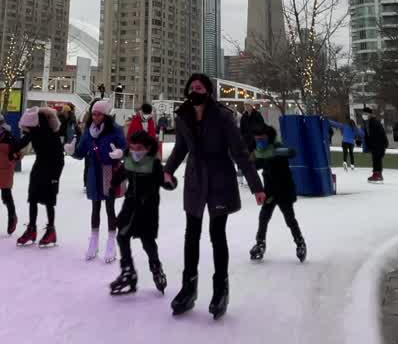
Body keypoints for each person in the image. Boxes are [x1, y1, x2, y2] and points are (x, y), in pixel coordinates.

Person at [164, 73, 265, 319]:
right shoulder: (184, 115)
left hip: (220, 177)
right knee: (191, 234)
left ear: (208, 91)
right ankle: (189, 288)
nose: (194, 89)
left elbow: (239, 152)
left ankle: (221, 290)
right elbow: (180, 148)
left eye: (199, 86)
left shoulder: (223, 116)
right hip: (196, 179)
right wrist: (167, 170)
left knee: (217, 235)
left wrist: (256, 185)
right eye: (191, 86)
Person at [107, 129, 176, 296]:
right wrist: (112, 186)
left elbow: (167, 183)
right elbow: (120, 174)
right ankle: (128, 271)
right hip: (130, 206)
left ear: (147, 148)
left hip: (148, 209)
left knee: (147, 241)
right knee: (122, 236)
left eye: (139, 148)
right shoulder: (129, 161)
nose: (135, 152)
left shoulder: (154, 165)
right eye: (132, 148)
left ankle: (156, 268)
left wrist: (170, 181)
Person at [68, 98, 127, 263]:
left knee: (109, 207)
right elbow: (80, 153)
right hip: (94, 173)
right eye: (93, 114)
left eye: (99, 114)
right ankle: (93, 241)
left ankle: (111, 242)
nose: (95, 117)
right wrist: (72, 151)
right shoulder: (88, 131)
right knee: (95, 207)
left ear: (106, 115)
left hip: (109, 171)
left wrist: (120, 153)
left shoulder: (116, 130)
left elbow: (125, 147)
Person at [249, 125, 306, 263]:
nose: (259, 142)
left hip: (283, 190)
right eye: (257, 139)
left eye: (261, 139)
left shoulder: (277, 148)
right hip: (269, 190)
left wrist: (277, 153)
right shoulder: (261, 151)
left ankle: (300, 243)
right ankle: (260, 243)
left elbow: (291, 153)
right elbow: (256, 164)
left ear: (268, 138)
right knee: (264, 217)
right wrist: (248, 159)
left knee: (289, 219)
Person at [13, 106, 63, 248]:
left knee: (48, 201)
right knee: (33, 199)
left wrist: (55, 177)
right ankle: (32, 228)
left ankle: (51, 230)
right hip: (39, 168)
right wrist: (10, 147)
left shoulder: (52, 137)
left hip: (50, 170)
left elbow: (60, 158)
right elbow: (19, 144)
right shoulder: (33, 133)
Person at [363, 108, 388, 184]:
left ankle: (378, 175)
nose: (364, 116)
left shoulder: (374, 122)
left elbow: (379, 134)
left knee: (377, 159)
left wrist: (383, 144)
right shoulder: (369, 122)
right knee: (375, 159)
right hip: (375, 144)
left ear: (370, 114)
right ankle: (376, 174)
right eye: (363, 114)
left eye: (366, 114)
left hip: (378, 144)